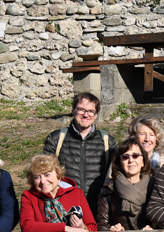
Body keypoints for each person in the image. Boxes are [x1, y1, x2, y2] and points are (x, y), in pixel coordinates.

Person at [43, 92, 116, 221]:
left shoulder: (107, 142)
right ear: (73, 110)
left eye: (91, 111)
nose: (86, 114)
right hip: (64, 209)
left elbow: (115, 177)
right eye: (81, 109)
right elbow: (44, 174)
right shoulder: (56, 139)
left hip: (98, 210)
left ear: (96, 115)